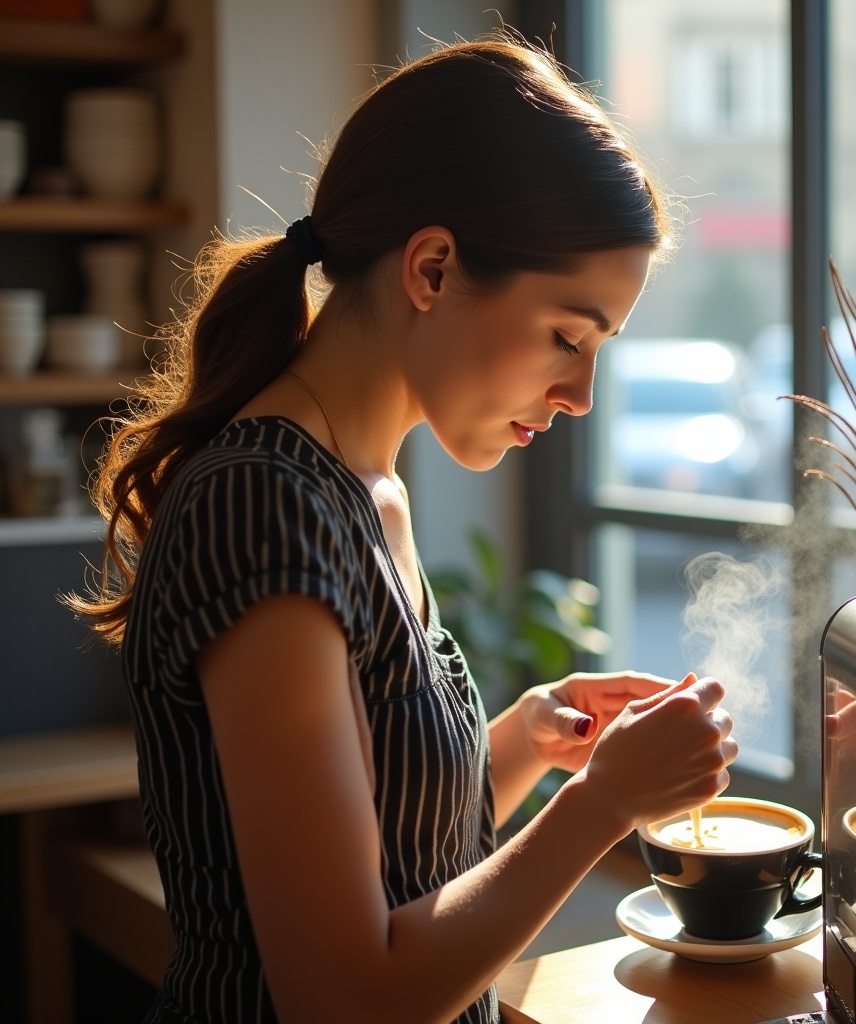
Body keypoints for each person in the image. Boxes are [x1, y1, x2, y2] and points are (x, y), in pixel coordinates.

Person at [70, 32, 737, 1024]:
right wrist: (603, 805)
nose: (582, 394)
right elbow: (343, 996)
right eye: (567, 335)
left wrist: (525, 737)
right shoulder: (264, 510)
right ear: (430, 268)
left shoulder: (365, 484)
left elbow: (395, 851)